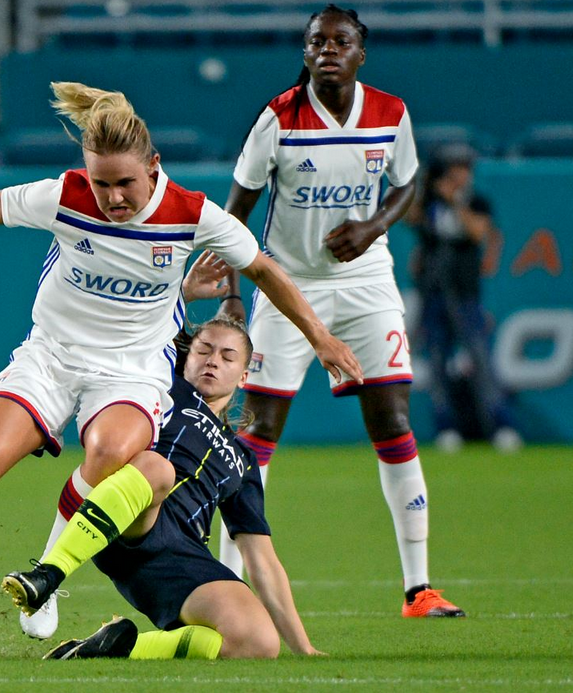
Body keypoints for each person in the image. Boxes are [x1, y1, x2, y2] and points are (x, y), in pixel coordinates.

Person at [0, 81, 362, 653]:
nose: (113, 197)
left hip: (130, 369)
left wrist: (322, 338)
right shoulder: (64, 196)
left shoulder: (192, 214)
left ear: (154, 167)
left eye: (125, 183)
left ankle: (46, 578)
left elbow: (264, 270)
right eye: (102, 183)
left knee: (111, 453)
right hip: (51, 355)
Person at [214, 4, 465, 618]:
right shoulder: (276, 119)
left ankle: (418, 588)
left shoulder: (390, 113)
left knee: (393, 420)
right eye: (317, 41)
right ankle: (225, 586)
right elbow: (235, 208)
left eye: (341, 40)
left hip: (367, 281)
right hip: (287, 282)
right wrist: (230, 290)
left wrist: (374, 224)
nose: (328, 49)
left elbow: (407, 184)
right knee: (257, 431)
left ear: (361, 52)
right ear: (304, 53)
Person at [8, 308, 323, 660]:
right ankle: (48, 576)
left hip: (181, 556)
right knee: (159, 468)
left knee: (258, 643)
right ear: (186, 356)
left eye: (227, 356)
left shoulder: (243, 459)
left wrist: (304, 648)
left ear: (245, 376)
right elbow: (140, 317)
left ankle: (116, 648)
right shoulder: (163, 386)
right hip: (129, 515)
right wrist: (188, 286)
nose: (212, 361)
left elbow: (261, 558)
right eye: (204, 350)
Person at [408, 144, 522, 453]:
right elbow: (410, 217)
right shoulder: (431, 205)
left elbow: (476, 233)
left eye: (466, 169)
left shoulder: (477, 202)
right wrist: (423, 187)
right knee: (437, 362)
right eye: (456, 169)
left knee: (481, 360)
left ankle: (501, 425)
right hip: (433, 294)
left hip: (465, 294)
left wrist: (456, 200)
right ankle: (446, 427)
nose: (462, 174)